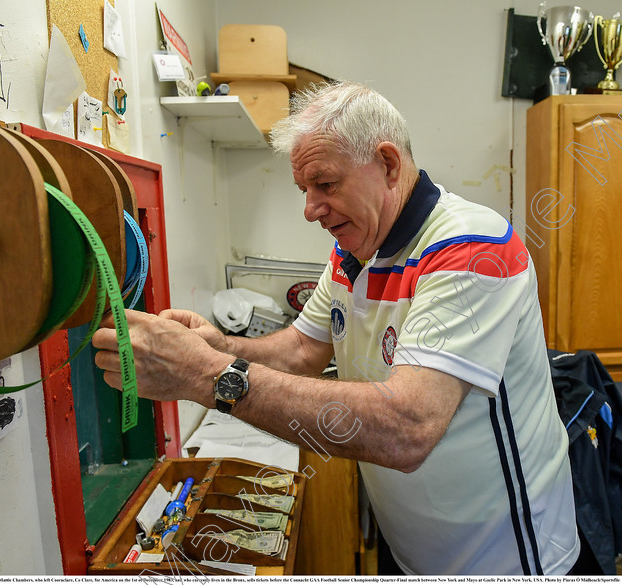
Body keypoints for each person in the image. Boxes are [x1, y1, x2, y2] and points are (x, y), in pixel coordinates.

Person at [93, 81, 579, 575]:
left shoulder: (471, 248)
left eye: (326, 185)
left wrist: (207, 373)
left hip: (504, 557)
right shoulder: (354, 251)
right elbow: (304, 347)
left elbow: (408, 427)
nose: (310, 209)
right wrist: (220, 345)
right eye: (305, 190)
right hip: (415, 546)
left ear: (388, 165)